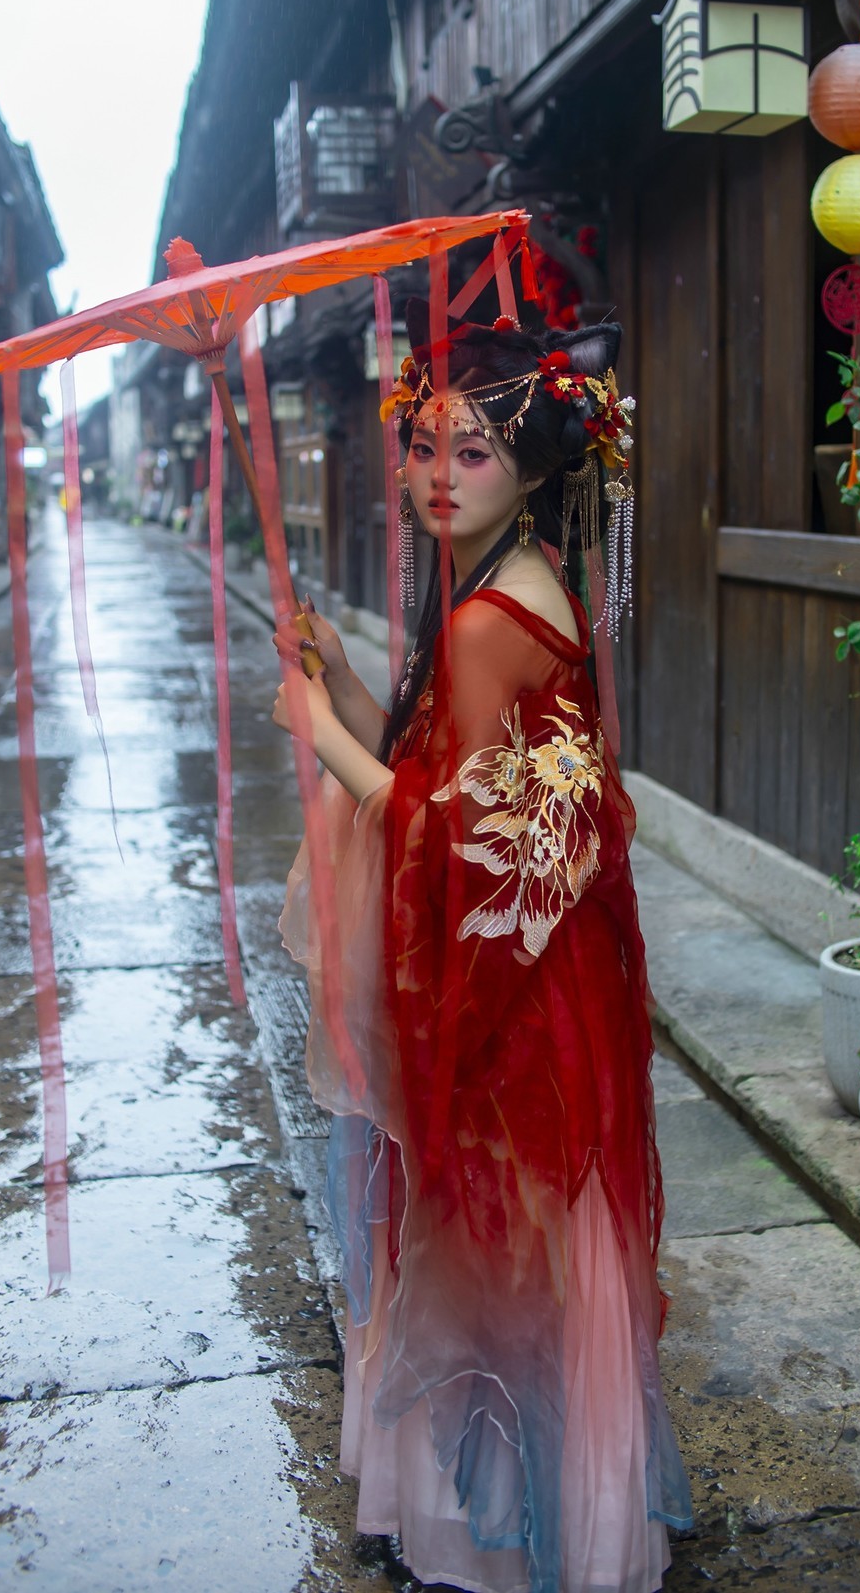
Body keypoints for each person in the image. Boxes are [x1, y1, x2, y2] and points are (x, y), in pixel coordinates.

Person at [272, 299, 692, 1593]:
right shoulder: (531, 586)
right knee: (546, 1248)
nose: (436, 477)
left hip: (508, 983)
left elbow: (437, 829)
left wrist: (314, 726)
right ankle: (577, 1511)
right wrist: (347, 682)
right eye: (425, 447)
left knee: (490, 1238)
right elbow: (458, 774)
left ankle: (502, 1535)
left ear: (532, 468)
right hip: (547, 965)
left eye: (471, 453)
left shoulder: (480, 619)